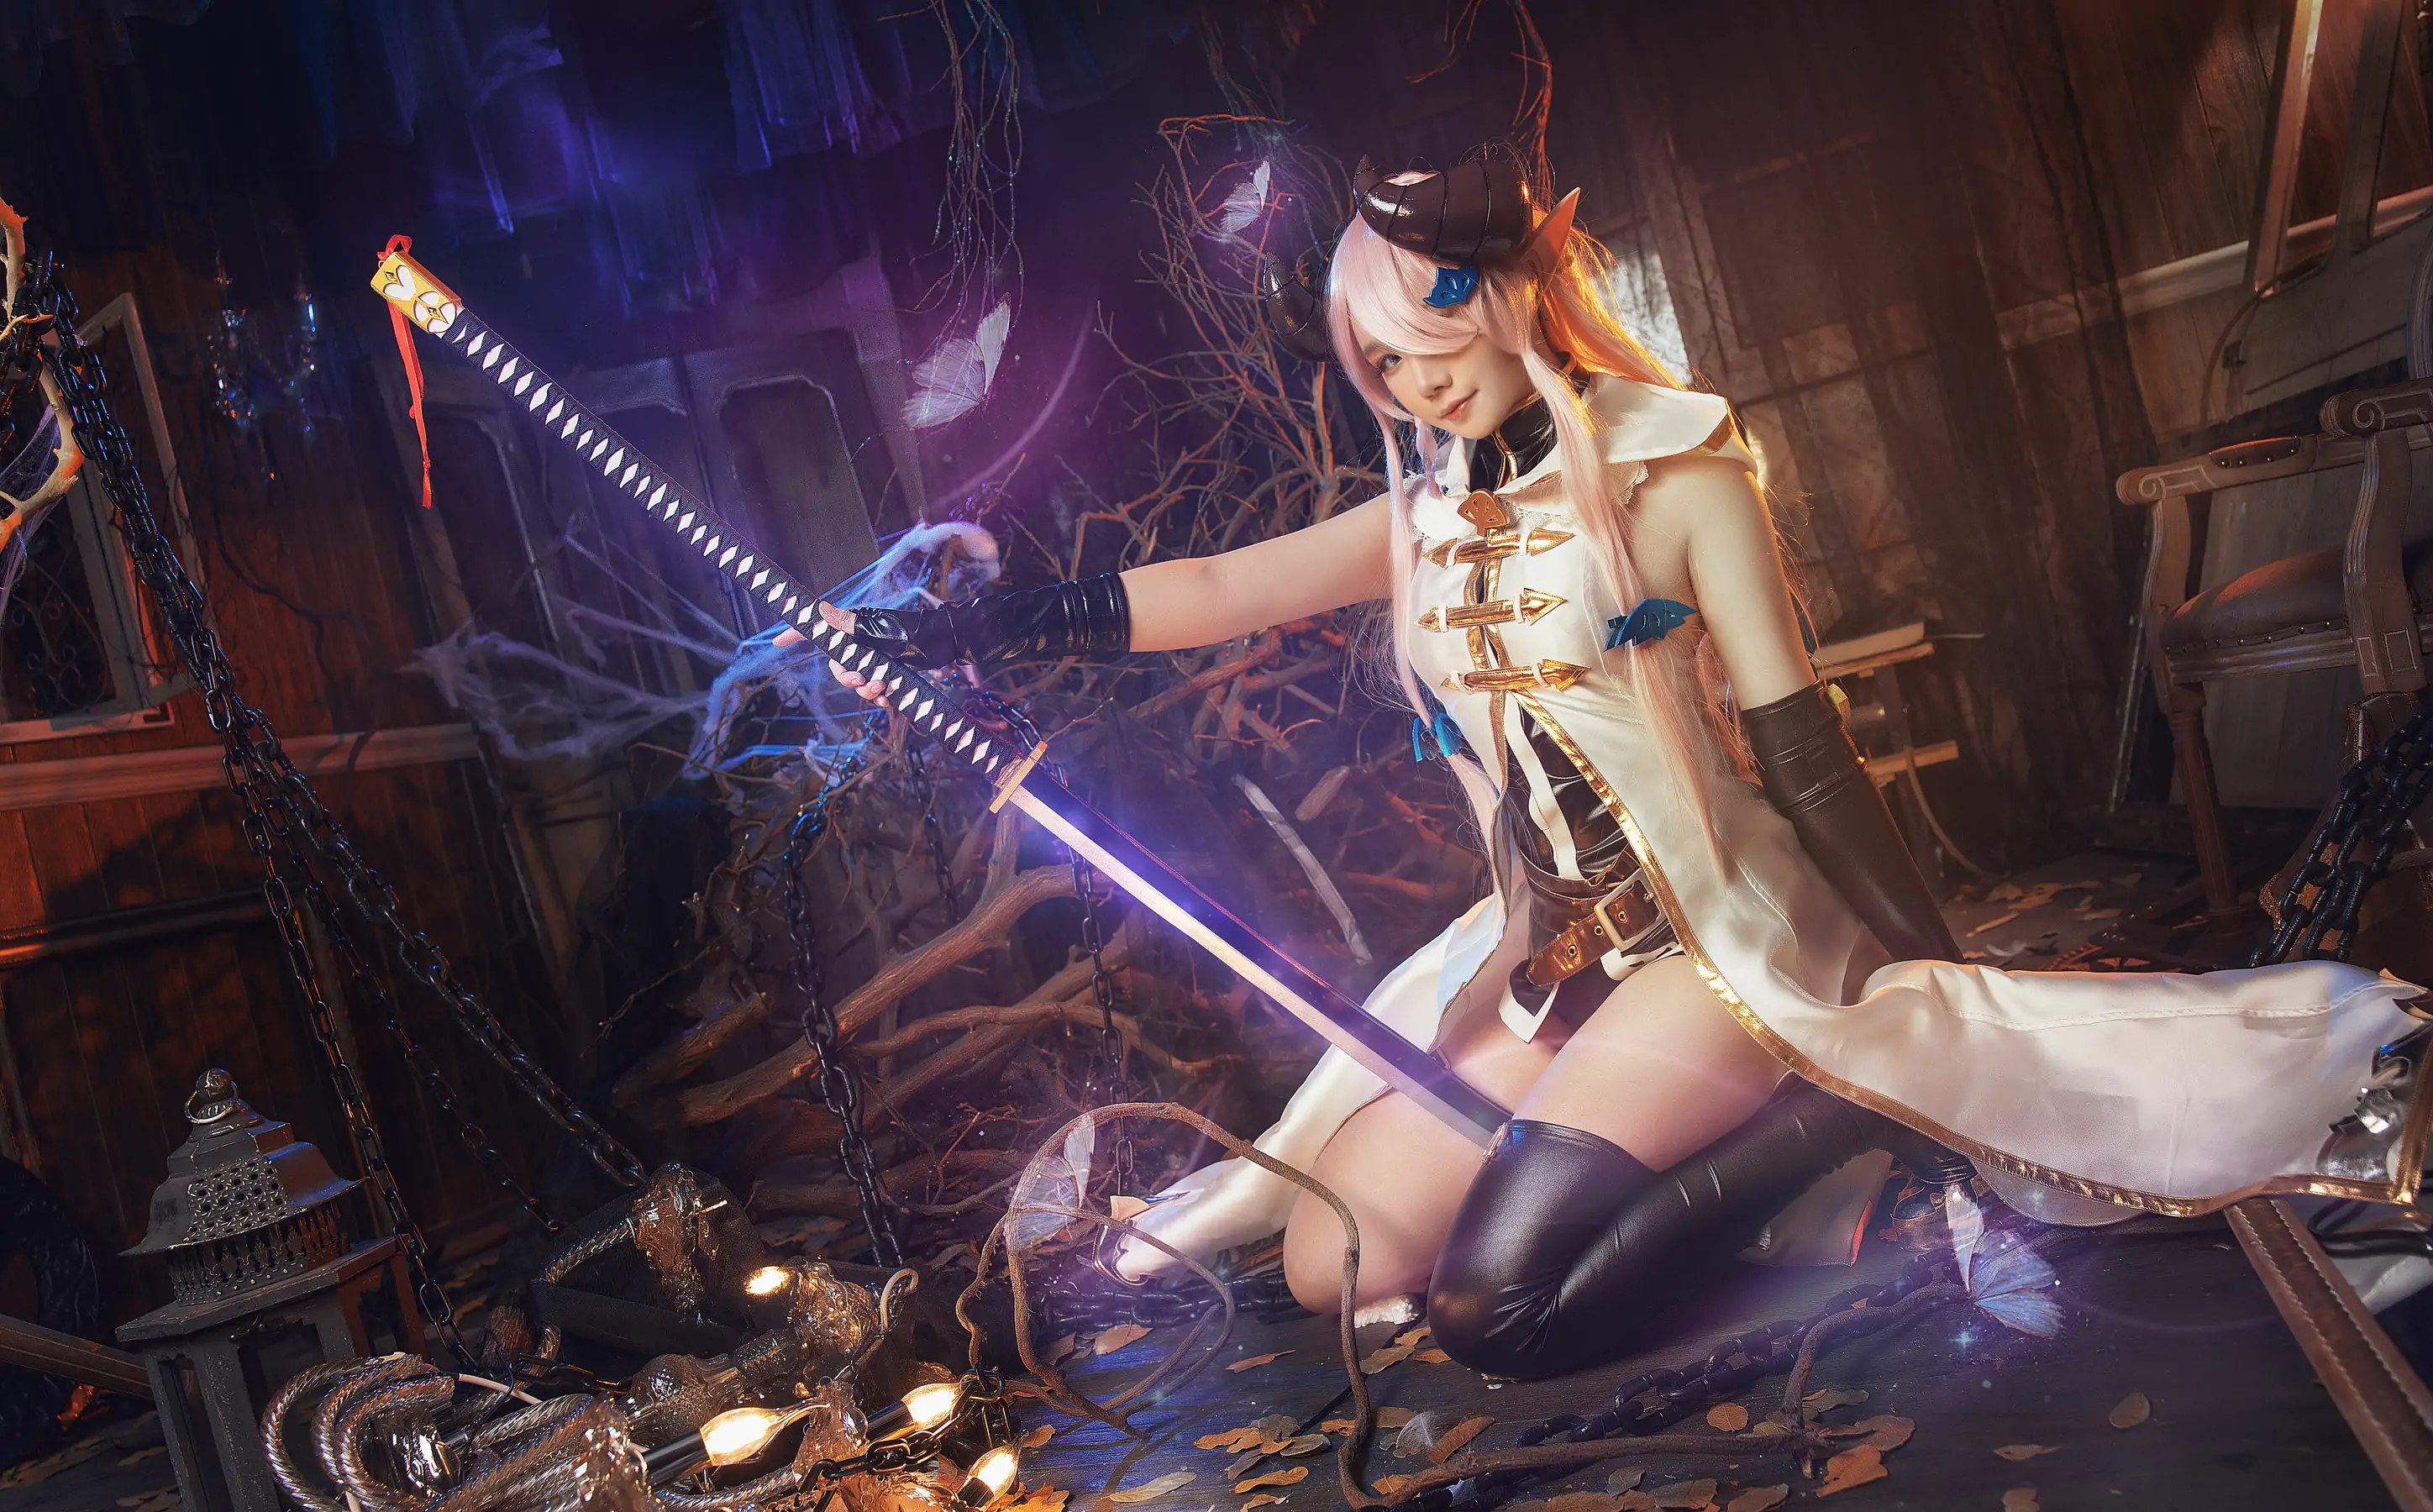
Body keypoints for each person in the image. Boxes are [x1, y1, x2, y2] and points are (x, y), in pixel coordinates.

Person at [801, 155, 2429, 1380]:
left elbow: (1800, 745)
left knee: (1493, 1307)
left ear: (1517, 287)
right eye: (1380, 359)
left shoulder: (1676, 468)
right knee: (1328, 1262)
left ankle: (1837, 1110)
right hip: (1541, 964)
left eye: (1434, 325)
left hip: (1707, 945)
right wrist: (985, 624)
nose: (1417, 377)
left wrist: (1913, 975)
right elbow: (1220, 587)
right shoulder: (1424, 517)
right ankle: (1754, 1167)